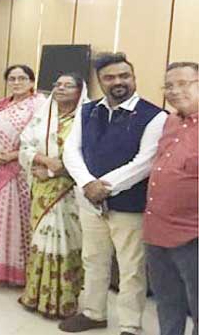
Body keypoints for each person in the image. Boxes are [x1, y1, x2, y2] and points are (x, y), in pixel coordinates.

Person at [61, 53, 166, 335]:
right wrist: (87, 184)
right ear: (100, 81)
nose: (118, 82)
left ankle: (130, 325)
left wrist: (102, 187)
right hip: (90, 203)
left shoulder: (155, 116)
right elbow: (71, 150)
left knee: (131, 268)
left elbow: (145, 162)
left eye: (124, 76)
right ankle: (94, 313)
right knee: (93, 259)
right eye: (109, 77)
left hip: (129, 206)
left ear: (133, 78)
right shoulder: (87, 110)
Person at [18, 74, 88, 319]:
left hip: (71, 192)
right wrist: (45, 161)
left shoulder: (86, 120)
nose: (61, 88)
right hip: (42, 190)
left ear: (80, 91)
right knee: (41, 240)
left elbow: (89, 157)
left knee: (67, 243)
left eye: (68, 85)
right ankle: (35, 295)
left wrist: (52, 171)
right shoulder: (43, 117)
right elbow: (25, 146)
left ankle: (64, 301)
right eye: (58, 84)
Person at [0, 64, 46, 285]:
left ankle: (20, 271)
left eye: (22, 78)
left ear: (32, 81)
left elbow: (42, 142)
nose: (17, 82)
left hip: (21, 171)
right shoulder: (0, 105)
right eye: (12, 79)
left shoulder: (40, 105)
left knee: (20, 219)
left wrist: (12, 156)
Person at [144, 62, 198, 335]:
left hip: (193, 236)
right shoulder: (170, 121)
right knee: (167, 303)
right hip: (156, 231)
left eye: (183, 83)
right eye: (168, 86)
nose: (174, 91)